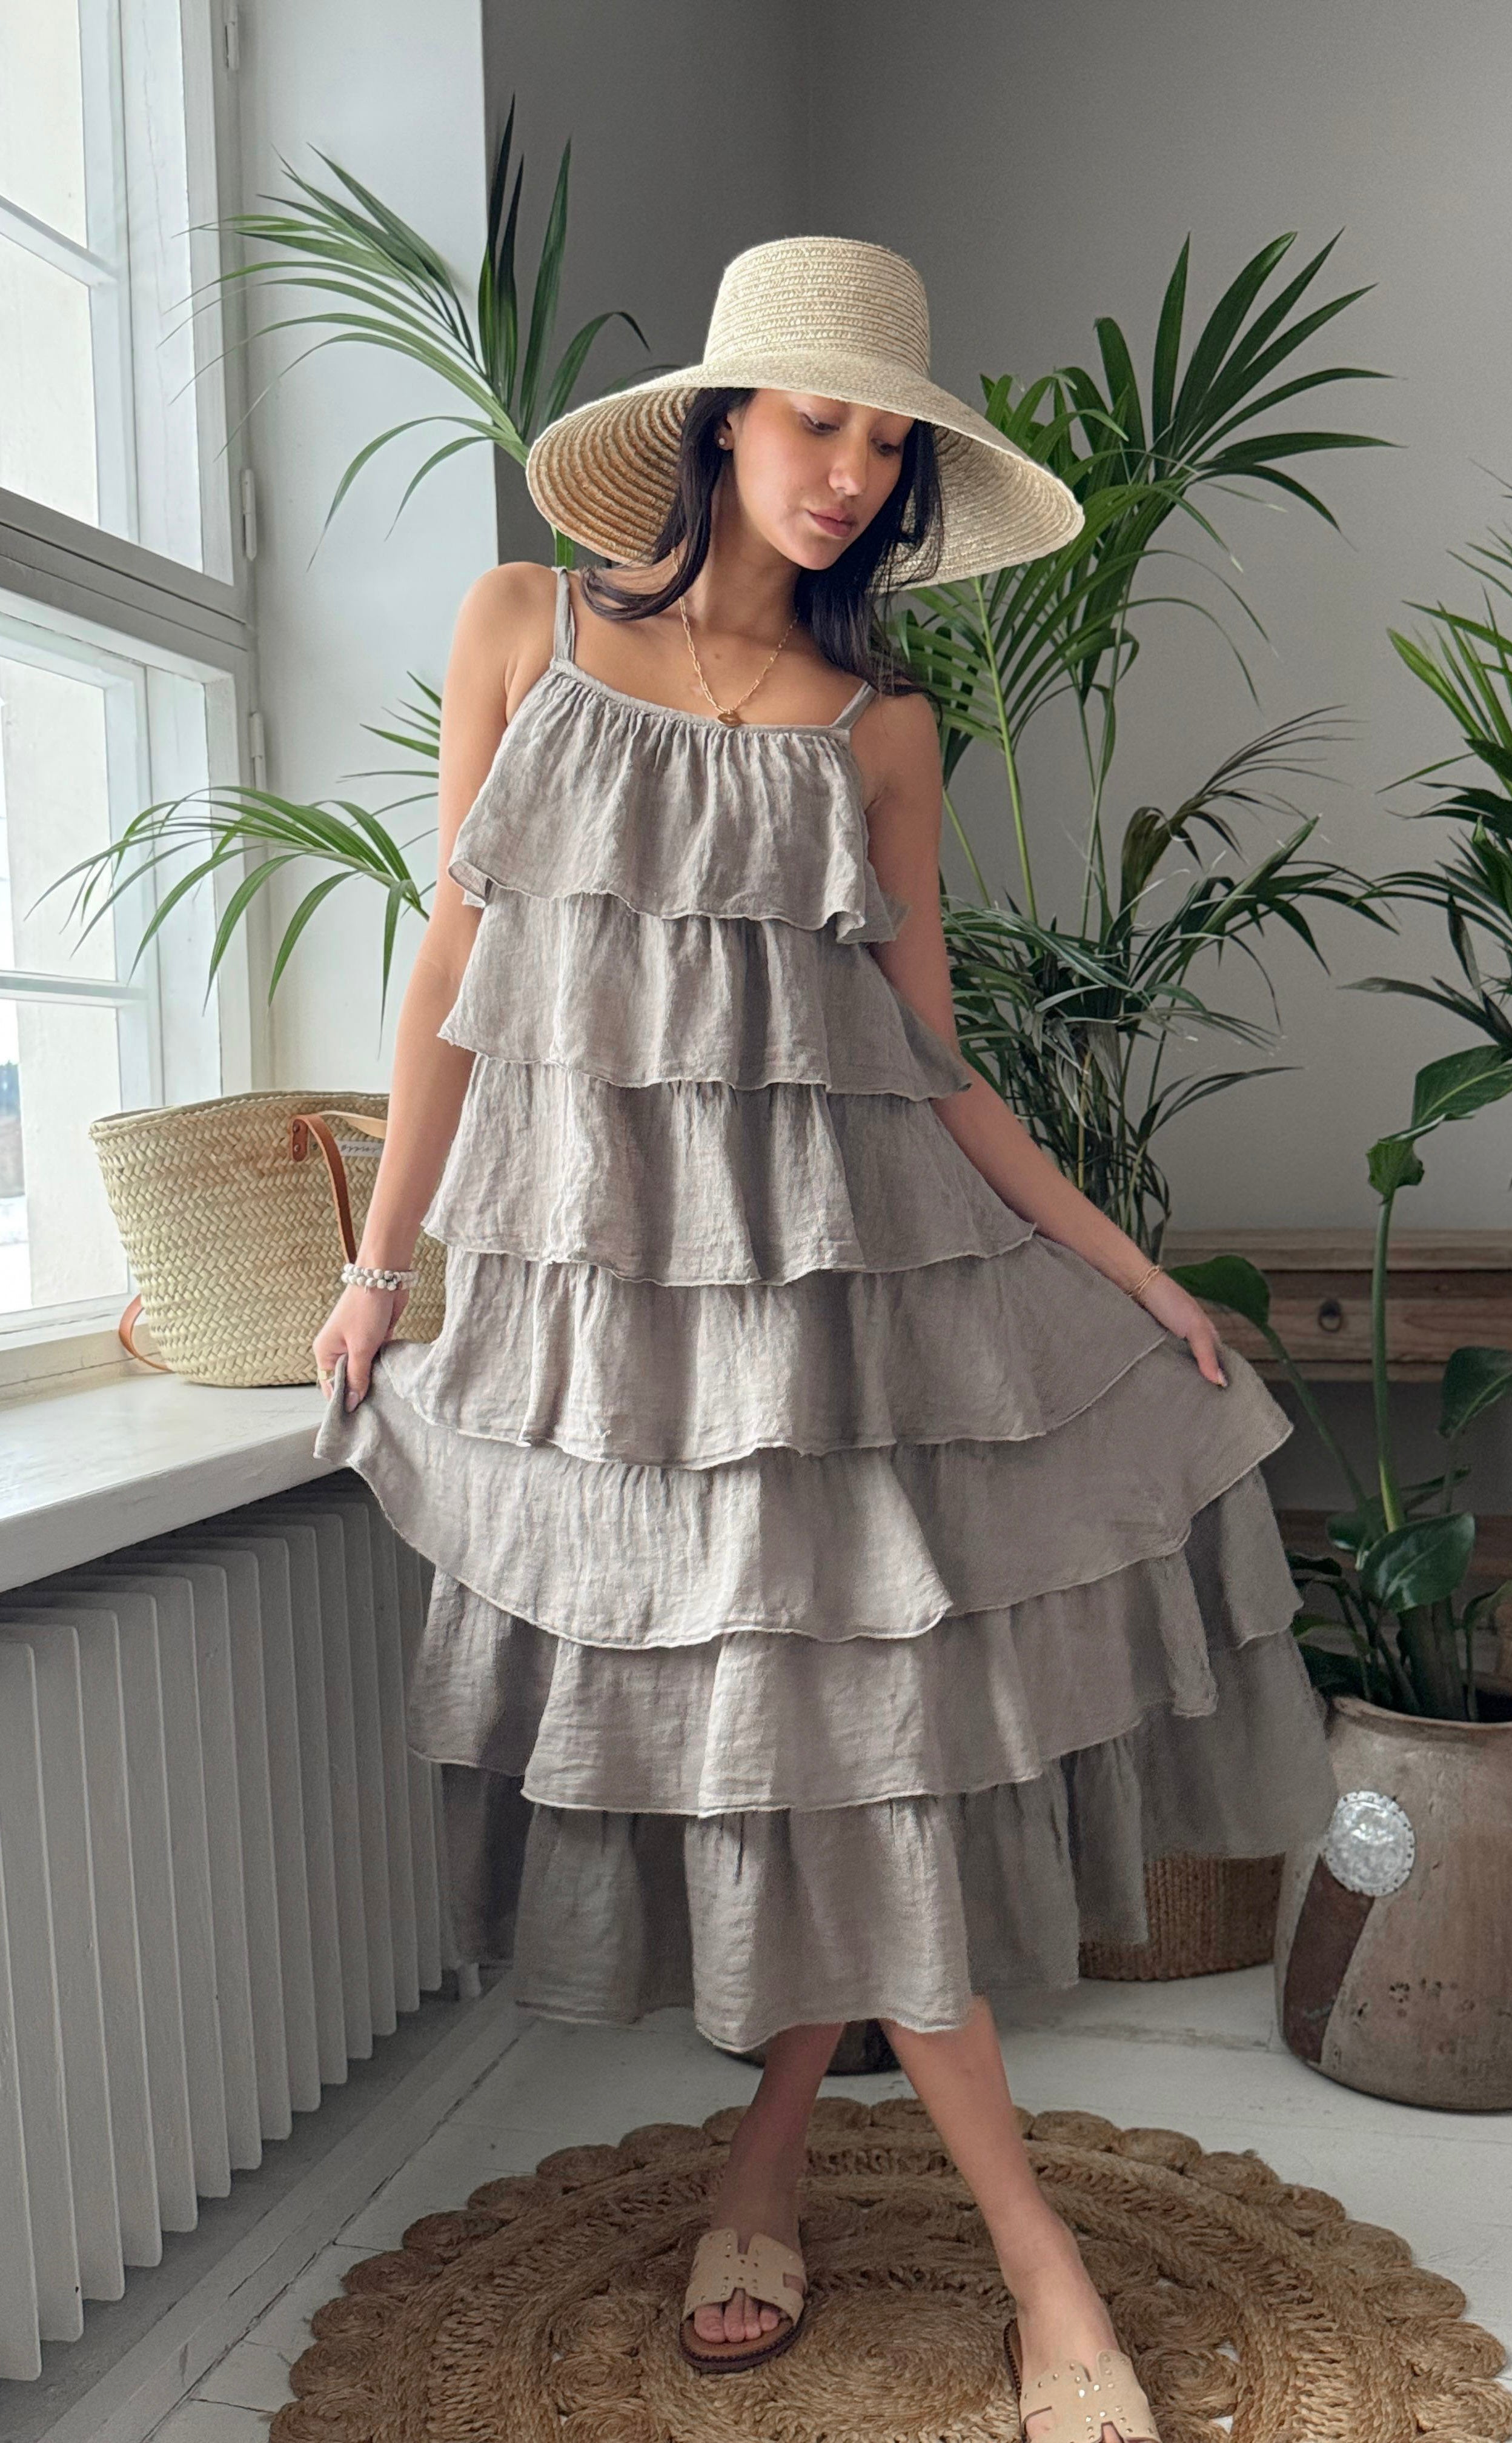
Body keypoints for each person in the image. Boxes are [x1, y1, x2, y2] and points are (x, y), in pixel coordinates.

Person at [311, 234, 1338, 2443]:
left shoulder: (885, 731)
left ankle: (1016, 2261)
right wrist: (382, 1267)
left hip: (847, 1325)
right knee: (817, 1765)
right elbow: (448, 980)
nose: (853, 471)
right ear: (721, 424)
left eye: (888, 442)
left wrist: (1140, 1277)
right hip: (627, 1341)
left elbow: (936, 1069)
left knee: (848, 1758)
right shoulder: (521, 628)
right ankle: (800, 2177)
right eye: (818, 420)